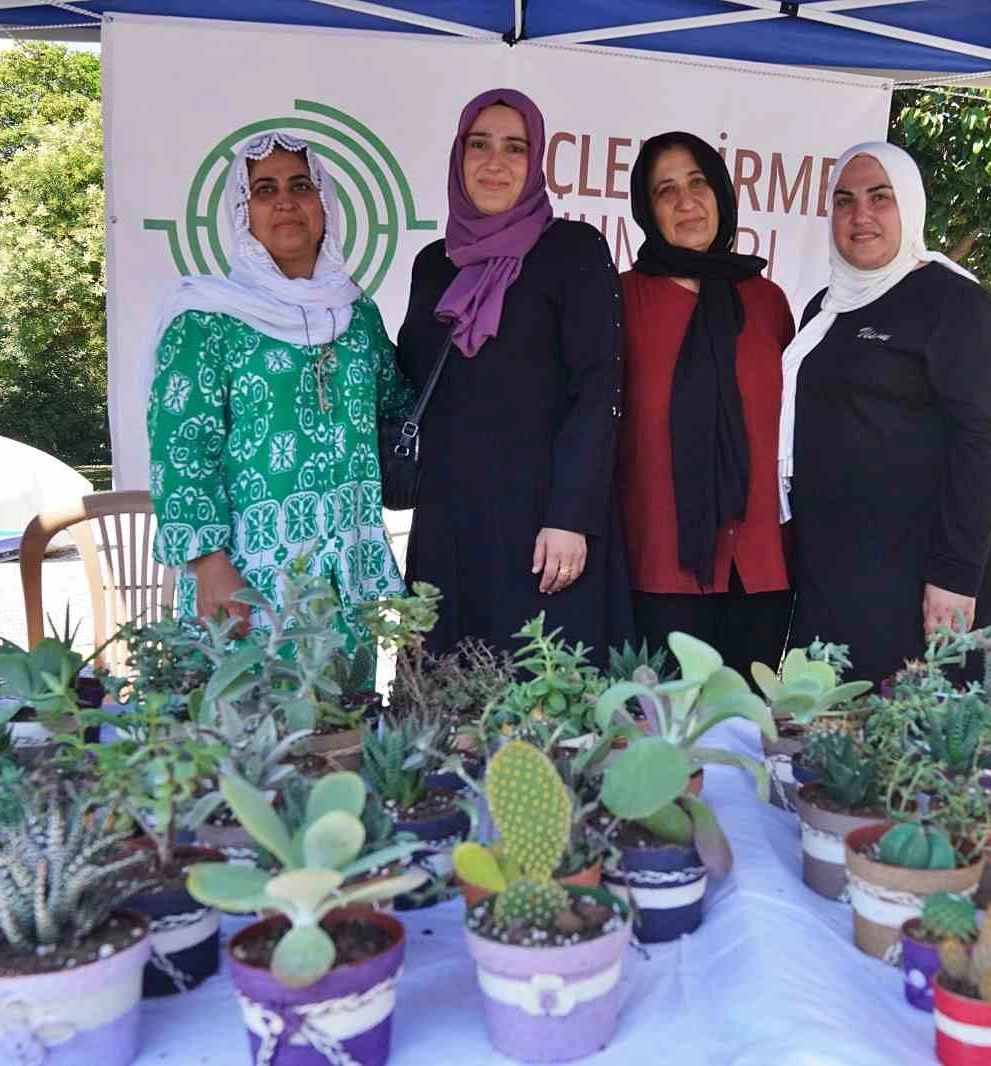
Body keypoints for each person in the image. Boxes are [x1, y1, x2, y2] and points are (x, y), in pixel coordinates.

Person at [146, 131, 413, 678]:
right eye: (264, 190)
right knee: (247, 720)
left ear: (324, 203)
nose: (286, 202)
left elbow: (399, 405)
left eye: (301, 186)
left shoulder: (356, 315)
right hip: (248, 576)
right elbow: (181, 452)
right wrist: (209, 564)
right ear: (243, 213)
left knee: (343, 717)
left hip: (345, 575)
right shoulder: (207, 319)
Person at [395, 88, 631, 662]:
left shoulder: (572, 250)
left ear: (536, 161)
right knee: (446, 692)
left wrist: (571, 516)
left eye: (515, 148)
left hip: (542, 528)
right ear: (459, 156)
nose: (494, 163)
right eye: (479, 145)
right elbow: (410, 381)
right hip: (449, 524)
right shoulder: (434, 264)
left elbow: (598, 389)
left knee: (542, 689)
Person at [778, 141, 991, 685]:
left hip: (922, 578)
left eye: (879, 197)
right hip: (834, 575)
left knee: (922, 726)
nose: (860, 215)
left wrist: (955, 574)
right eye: (844, 200)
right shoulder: (824, 310)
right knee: (834, 722)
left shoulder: (958, 305)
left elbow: (982, 448)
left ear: (909, 204)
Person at [617, 131, 794, 674]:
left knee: (748, 723)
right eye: (665, 190)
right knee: (663, 724)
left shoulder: (767, 302)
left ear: (721, 193)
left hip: (759, 569)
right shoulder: (622, 299)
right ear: (647, 210)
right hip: (660, 566)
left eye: (698, 183)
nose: (686, 202)